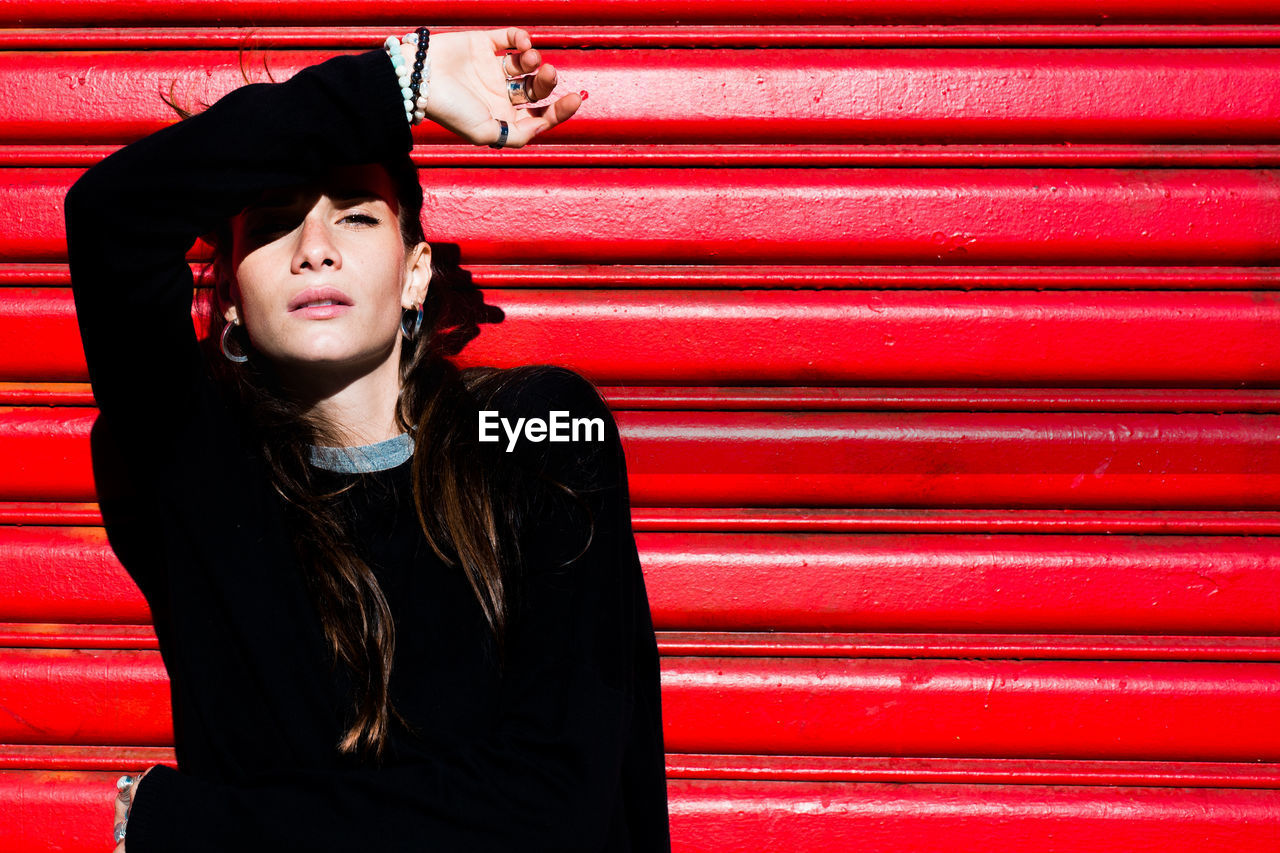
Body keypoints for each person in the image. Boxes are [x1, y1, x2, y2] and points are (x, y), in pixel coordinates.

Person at [63, 26, 670, 852]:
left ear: (415, 270)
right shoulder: (197, 468)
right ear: (231, 296)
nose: (315, 250)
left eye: (354, 215)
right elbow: (111, 216)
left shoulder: (538, 431)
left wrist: (190, 826)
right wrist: (396, 81)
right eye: (275, 225)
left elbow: (554, 807)